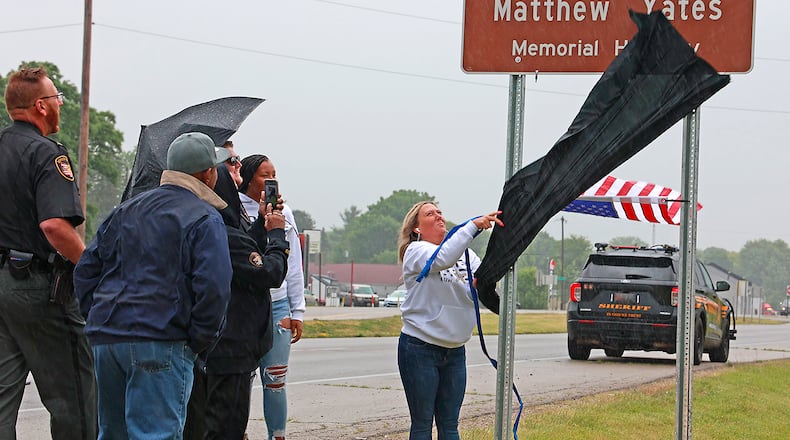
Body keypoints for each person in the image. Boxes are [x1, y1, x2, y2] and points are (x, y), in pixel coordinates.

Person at [74, 132, 233, 439]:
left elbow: (86, 271)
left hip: (108, 339)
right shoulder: (204, 217)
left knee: (112, 433)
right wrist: (198, 340)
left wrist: (99, 318)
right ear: (207, 173)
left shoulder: (126, 210)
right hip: (162, 339)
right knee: (156, 434)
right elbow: (214, 289)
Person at [0, 66, 97, 439]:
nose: (59, 105)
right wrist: (92, 269)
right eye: (57, 98)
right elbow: (55, 226)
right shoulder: (46, 154)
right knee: (75, 398)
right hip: (39, 290)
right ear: (41, 106)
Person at [184, 165, 290, 439]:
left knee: (198, 427)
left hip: (204, 347)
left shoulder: (198, 224)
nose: (239, 182)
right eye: (233, 180)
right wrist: (277, 235)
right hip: (231, 351)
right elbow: (270, 272)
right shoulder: (220, 231)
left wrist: (260, 224)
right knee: (225, 429)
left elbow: (242, 252)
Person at [396, 201, 502, 440]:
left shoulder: (465, 254)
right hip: (419, 348)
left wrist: (482, 285)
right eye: (430, 214)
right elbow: (440, 259)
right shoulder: (416, 251)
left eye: (440, 212)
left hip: (454, 352)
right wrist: (473, 226)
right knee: (422, 425)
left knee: (450, 425)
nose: (438, 216)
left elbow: (476, 290)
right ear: (416, 228)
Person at [239, 154, 306, 440]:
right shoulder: (234, 208)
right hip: (245, 306)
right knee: (239, 380)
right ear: (248, 178)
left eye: (274, 174)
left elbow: (293, 264)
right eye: (264, 175)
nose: (271, 181)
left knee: (275, 380)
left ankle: (277, 435)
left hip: (278, 306)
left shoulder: (284, 213)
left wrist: (297, 310)